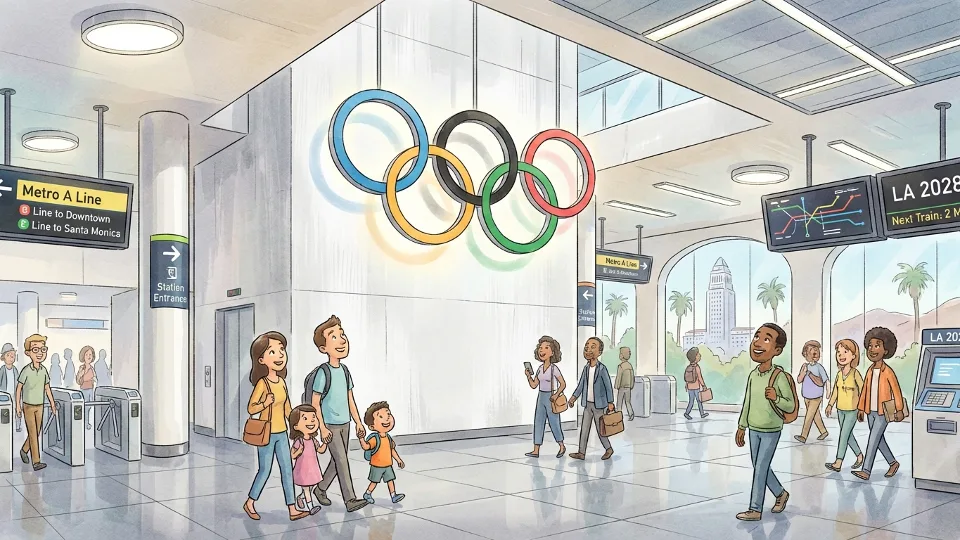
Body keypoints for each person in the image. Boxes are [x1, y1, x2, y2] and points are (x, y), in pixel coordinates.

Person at [242, 331, 308, 522]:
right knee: (265, 470)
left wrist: (296, 427)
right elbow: (251, 407)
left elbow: (287, 407)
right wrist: (265, 403)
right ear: (261, 359)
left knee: (287, 469)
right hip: (267, 433)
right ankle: (250, 502)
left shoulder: (281, 382)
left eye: (281, 350)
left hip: (282, 433)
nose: (279, 355)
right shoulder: (263, 384)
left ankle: (292, 508)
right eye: (273, 352)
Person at [734, 323, 795, 521]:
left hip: (771, 429)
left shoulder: (778, 377)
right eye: (757, 336)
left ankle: (755, 509)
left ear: (777, 350)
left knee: (760, 468)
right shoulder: (753, 375)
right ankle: (780, 494)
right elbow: (747, 402)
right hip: (753, 428)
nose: (758, 342)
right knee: (760, 466)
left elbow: (790, 405)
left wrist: (776, 397)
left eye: (766, 339)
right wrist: (741, 426)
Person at [309, 315, 368, 512]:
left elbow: (350, 398)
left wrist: (358, 422)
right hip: (331, 425)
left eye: (342, 335)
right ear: (323, 348)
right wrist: (322, 428)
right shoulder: (322, 372)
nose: (342, 340)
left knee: (337, 461)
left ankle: (320, 489)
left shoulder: (345, 371)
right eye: (333, 336)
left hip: (345, 423)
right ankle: (350, 499)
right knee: (341, 461)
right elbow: (315, 403)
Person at [854, 327, 903, 481]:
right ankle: (893, 463)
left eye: (877, 345)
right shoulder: (869, 371)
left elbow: (896, 391)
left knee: (873, 439)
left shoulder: (888, 372)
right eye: (870, 346)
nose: (872, 349)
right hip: (870, 411)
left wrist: (900, 409)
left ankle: (866, 470)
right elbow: (864, 391)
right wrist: (861, 408)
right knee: (878, 438)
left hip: (883, 412)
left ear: (886, 350)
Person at [567, 337, 616, 461]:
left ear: (599, 352)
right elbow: (581, 385)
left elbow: (608, 386)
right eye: (587, 346)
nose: (588, 348)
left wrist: (610, 402)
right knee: (584, 429)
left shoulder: (602, 369)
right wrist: (573, 397)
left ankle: (609, 448)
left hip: (600, 405)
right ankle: (581, 452)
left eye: (593, 346)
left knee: (601, 430)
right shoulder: (586, 368)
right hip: (587, 405)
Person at [16, 334, 57, 471]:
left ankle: (23, 450)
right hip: (28, 406)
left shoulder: (44, 370)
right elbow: (19, 388)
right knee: (33, 433)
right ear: (28, 353)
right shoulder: (26, 370)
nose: (40, 353)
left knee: (36, 433)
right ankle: (36, 461)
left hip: (40, 405)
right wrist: (18, 405)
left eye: (43, 349)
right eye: (35, 350)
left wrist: (52, 403)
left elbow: (47, 388)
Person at [524, 336, 567, 458]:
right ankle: (536, 450)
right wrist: (528, 376)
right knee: (538, 422)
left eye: (546, 348)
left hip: (551, 397)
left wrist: (556, 394)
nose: (542, 350)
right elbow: (534, 385)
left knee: (554, 423)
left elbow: (563, 384)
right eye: (541, 348)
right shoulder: (539, 369)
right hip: (541, 397)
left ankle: (562, 446)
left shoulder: (554, 369)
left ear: (552, 352)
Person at [825, 339, 864, 472]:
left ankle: (838, 462)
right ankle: (859, 455)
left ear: (853, 355)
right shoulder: (839, 374)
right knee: (847, 435)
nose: (841, 355)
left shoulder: (855, 373)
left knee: (843, 435)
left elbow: (863, 390)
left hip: (852, 410)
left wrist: (862, 408)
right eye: (838, 352)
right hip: (840, 409)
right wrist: (830, 405)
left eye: (845, 352)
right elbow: (835, 390)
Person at [359, 401, 405, 505]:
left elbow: (392, 450)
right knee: (374, 481)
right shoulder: (375, 438)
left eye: (388, 414)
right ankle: (367, 493)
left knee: (390, 480)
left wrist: (398, 460)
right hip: (377, 465)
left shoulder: (388, 438)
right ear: (372, 426)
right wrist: (361, 438)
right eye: (381, 416)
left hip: (388, 465)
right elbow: (366, 447)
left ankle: (394, 495)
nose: (387, 418)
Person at [289, 404, 327, 515]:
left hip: (312, 468)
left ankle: (300, 498)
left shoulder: (313, 440)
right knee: (306, 488)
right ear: (296, 426)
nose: (311, 422)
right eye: (305, 418)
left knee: (310, 486)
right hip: (303, 469)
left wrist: (325, 442)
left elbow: (320, 450)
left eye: (313, 418)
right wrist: (298, 451)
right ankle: (310, 507)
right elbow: (292, 455)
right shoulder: (299, 441)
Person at [795, 340, 829, 443]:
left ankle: (803, 436)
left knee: (809, 416)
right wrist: (804, 373)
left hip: (816, 396)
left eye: (816, 350)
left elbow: (823, 381)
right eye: (811, 350)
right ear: (805, 354)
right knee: (815, 415)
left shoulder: (819, 367)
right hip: (806, 396)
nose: (814, 352)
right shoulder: (804, 366)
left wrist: (828, 391)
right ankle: (824, 431)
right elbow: (799, 380)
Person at [683, 347, 708, 420]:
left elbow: (687, 378)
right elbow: (700, 377)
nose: (700, 355)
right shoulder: (697, 367)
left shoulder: (688, 367)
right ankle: (702, 413)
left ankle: (687, 413)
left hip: (690, 387)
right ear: (695, 357)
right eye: (698, 354)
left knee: (691, 401)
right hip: (696, 387)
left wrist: (686, 385)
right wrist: (703, 386)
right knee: (699, 401)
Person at [76, 346, 97, 430]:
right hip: (84, 390)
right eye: (87, 354)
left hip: (91, 389)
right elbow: (79, 379)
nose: (89, 356)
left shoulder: (92, 368)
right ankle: (84, 423)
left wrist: (94, 379)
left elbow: (95, 377)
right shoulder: (82, 368)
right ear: (83, 356)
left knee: (89, 407)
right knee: (84, 407)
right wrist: (86, 377)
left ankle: (86, 422)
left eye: (90, 355)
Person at [614, 347, 636, 421]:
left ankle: (618, 416)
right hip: (628, 387)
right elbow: (632, 377)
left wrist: (616, 385)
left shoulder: (621, 366)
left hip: (622, 387)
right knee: (628, 402)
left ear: (622, 355)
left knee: (619, 402)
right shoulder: (630, 366)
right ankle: (631, 413)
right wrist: (631, 385)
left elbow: (619, 377)